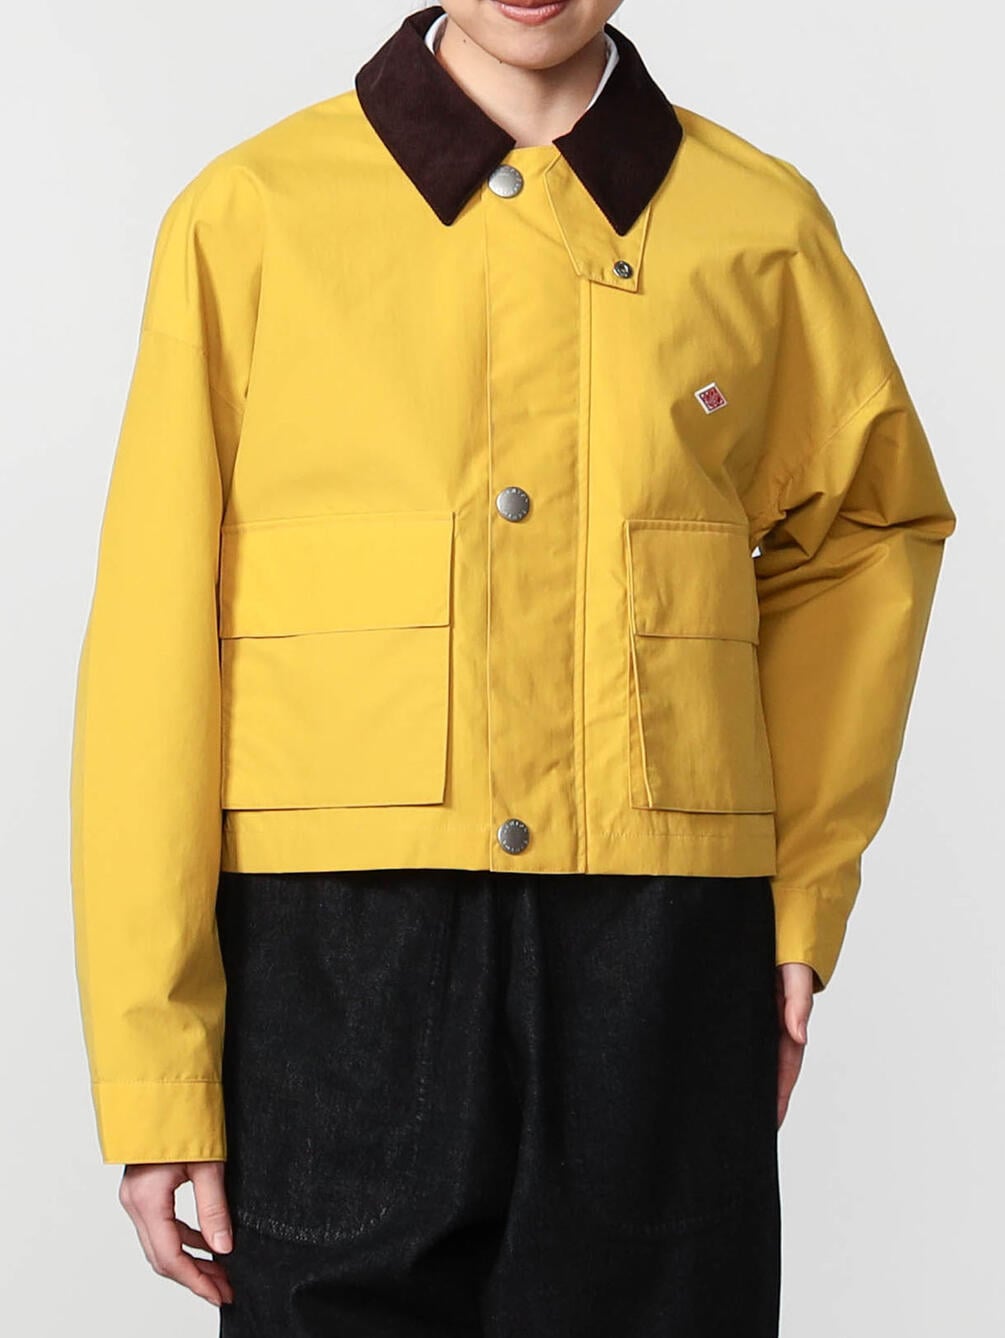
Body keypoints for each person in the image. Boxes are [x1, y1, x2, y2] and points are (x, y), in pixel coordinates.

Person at [68, 3, 957, 1334]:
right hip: (334, 961)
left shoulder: (759, 226)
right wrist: (156, 1067)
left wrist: (801, 893)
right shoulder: (251, 216)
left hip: (659, 947)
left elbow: (868, 531)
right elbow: (154, 641)